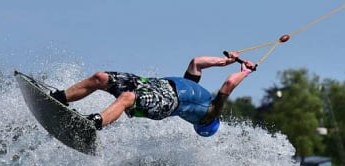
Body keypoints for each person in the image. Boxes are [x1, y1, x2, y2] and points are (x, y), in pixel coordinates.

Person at [50, 52, 255, 137]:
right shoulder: (191, 85)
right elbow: (196, 62)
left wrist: (244, 71)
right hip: (150, 84)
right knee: (100, 78)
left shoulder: (210, 111)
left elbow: (228, 83)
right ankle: (60, 98)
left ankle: (93, 124)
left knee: (127, 98)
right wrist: (225, 62)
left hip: (166, 103)